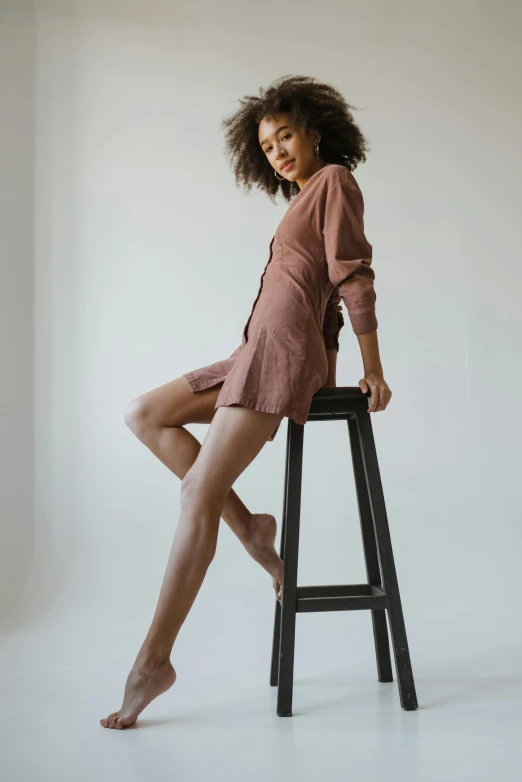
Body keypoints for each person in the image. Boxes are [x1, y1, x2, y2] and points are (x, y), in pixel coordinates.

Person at [100, 74, 392, 730]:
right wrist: (327, 370)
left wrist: (368, 373)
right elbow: (323, 309)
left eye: (285, 135)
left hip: (277, 360)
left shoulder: (335, 182)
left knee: (195, 494)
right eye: (266, 145)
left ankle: (154, 661)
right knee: (143, 414)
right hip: (257, 355)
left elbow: (352, 277)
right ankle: (254, 531)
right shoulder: (303, 198)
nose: (278, 151)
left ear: (314, 130)